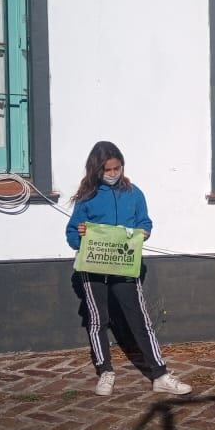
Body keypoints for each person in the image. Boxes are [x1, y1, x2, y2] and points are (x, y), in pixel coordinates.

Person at [66, 141, 191, 397]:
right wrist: (79, 234)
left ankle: (160, 374)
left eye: (117, 168)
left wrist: (144, 232)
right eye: (107, 170)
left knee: (140, 319)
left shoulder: (134, 193)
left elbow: (145, 221)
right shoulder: (87, 197)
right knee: (98, 319)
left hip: (124, 266)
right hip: (94, 268)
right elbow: (71, 233)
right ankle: (105, 371)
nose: (113, 174)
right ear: (96, 169)